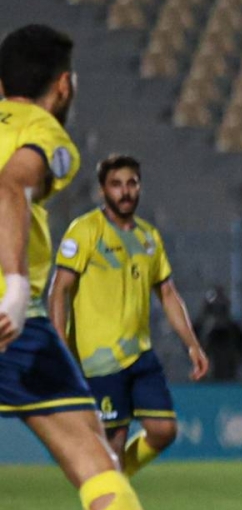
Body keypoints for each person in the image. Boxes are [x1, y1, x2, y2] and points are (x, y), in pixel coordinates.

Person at [0, 24, 165, 510]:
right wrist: (15, 287)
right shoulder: (47, 136)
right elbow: (10, 185)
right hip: (11, 324)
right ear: (64, 86)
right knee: (94, 458)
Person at [49, 154, 209, 477]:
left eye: (132, 183)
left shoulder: (148, 237)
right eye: (116, 184)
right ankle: (112, 485)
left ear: (140, 187)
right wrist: (60, 348)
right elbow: (59, 290)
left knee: (164, 430)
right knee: (115, 443)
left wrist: (192, 344)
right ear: (102, 190)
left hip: (140, 354)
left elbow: (167, 293)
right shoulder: (85, 231)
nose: (125, 192)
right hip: (100, 360)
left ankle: (112, 477)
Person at [194, 286, 242, 382]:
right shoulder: (203, 329)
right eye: (214, 308)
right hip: (207, 376)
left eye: (221, 308)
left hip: (229, 375)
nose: (217, 313)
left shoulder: (234, 330)